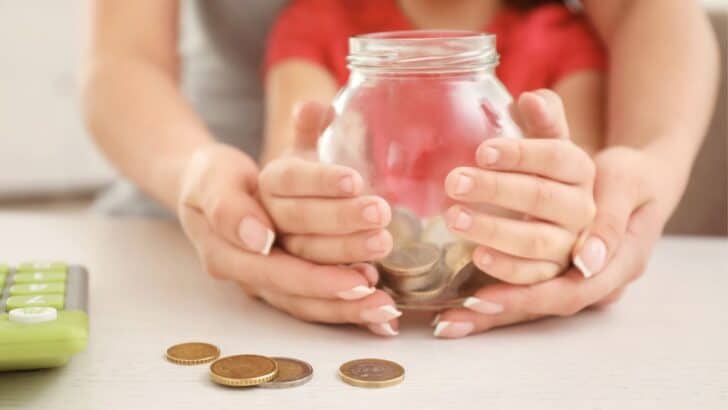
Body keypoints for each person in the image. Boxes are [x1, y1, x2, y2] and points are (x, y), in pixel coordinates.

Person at [82, 1, 719, 338]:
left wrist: (636, 175)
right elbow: (123, 61)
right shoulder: (318, 24)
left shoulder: (557, 36)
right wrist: (201, 174)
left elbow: (645, 12)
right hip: (176, 229)